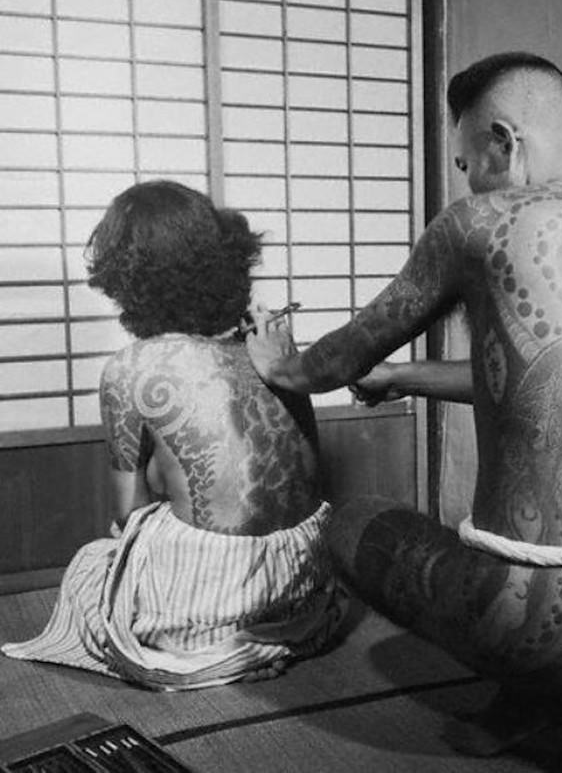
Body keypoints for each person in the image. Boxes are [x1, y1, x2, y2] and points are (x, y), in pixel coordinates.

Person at [246, 52, 562, 771]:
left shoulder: (481, 224)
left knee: (350, 526)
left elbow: (339, 358)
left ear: (505, 141)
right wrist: (407, 376)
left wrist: (281, 366)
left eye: (468, 163)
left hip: (531, 614)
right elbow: (548, 385)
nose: (470, 180)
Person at [1, 180, 347, 690]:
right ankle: (269, 636)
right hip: (304, 591)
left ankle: (210, 651)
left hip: (203, 603)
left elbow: (129, 513)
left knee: (90, 568)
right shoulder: (271, 348)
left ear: (125, 278)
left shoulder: (133, 367)